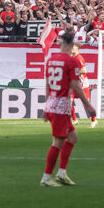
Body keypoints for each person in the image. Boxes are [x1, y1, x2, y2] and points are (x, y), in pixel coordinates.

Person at [42, 31, 96, 186]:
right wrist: (88, 105)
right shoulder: (71, 61)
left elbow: (47, 84)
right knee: (57, 142)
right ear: (72, 44)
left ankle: (61, 173)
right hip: (60, 106)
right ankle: (46, 178)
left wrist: (46, 106)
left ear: (60, 43)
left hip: (55, 104)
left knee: (72, 137)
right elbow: (75, 85)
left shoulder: (51, 60)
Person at [71, 45, 96, 128]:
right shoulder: (72, 58)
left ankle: (94, 120)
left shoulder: (79, 58)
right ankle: (75, 120)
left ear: (77, 49)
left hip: (82, 84)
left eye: (73, 47)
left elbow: (84, 70)